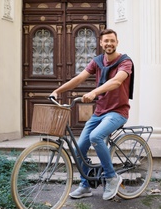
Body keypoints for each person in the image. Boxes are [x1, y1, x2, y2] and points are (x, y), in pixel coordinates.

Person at [50, 29, 134, 200]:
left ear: (117, 42)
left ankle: (112, 177)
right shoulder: (97, 61)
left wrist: (94, 93)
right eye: (106, 41)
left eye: (112, 40)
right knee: (79, 148)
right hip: (99, 113)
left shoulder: (125, 62)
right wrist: (57, 91)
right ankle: (85, 185)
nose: (109, 44)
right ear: (101, 43)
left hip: (117, 112)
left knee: (96, 137)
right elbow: (79, 78)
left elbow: (117, 81)